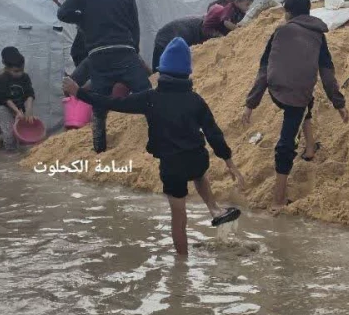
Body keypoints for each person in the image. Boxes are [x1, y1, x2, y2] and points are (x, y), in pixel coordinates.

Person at [62, 39, 245, 256]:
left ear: (162, 71)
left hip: (172, 167)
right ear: (187, 73)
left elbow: (112, 103)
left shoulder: (150, 99)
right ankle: (214, 209)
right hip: (197, 156)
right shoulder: (196, 100)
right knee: (199, 174)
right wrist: (230, 163)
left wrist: (79, 92)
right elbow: (214, 133)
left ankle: (182, 264)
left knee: (179, 218)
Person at [244, 0, 349, 208]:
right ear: (308, 12)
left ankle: (310, 148)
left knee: (304, 99)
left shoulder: (279, 31)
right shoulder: (318, 36)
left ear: (288, 13)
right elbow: (327, 74)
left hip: (275, 89)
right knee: (286, 144)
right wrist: (339, 104)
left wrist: (250, 104)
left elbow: (263, 69)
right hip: (296, 95)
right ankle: (278, 200)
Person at [57, 0, 151, 154]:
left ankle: (99, 149)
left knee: (99, 106)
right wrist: (134, 51)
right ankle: (159, 139)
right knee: (148, 97)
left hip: (99, 56)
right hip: (126, 52)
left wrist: (82, 17)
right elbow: (135, 27)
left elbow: (63, 14)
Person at [0, 47, 35, 152]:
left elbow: (29, 93)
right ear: (6, 66)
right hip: (3, 106)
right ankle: (9, 155)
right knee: (9, 134)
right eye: (16, 71)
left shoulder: (24, 77)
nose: (20, 74)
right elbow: (0, 96)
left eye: (22, 70)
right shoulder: (0, 77)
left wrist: (29, 109)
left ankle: (3, 142)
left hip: (17, 104)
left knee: (18, 132)